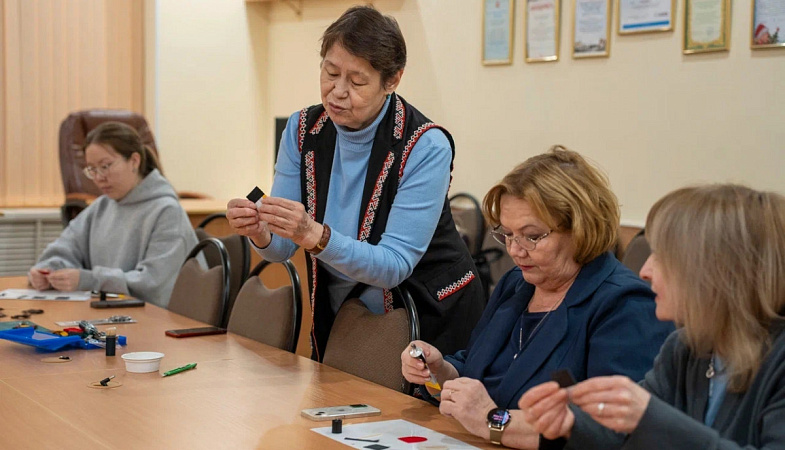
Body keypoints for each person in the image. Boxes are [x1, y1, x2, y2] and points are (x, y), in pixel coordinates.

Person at [226, 6, 484, 361]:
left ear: (392, 81)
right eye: (330, 73)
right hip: (344, 313)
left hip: (426, 313)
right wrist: (260, 231)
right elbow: (282, 248)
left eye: (357, 81)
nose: (337, 92)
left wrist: (315, 235)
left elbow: (394, 265)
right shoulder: (302, 130)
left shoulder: (424, 145)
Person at [401, 147, 673, 448]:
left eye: (532, 236)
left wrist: (492, 421)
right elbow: (480, 372)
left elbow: (611, 430)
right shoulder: (518, 283)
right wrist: (439, 372)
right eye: (507, 234)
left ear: (581, 228)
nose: (515, 250)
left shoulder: (625, 305)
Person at [521, 185, 785, 450]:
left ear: (717, 273)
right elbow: (625, 437)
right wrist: (572, 423)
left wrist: (651, 420)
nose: (645, 271)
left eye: (661, 256)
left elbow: (654, 426)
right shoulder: (686, 347)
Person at [28, 122, 197, 308]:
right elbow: (66, 247)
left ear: (134, 161)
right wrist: (49, 270)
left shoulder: (166, 211)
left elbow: (153, 284)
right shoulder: (102, 206)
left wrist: (89, 280)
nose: (99, 177)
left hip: (161, 322)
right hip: (113, 316)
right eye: (92, 169)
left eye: (105, 166)